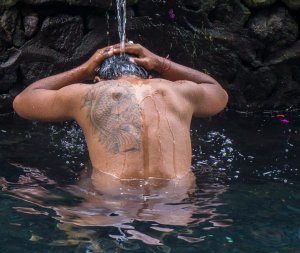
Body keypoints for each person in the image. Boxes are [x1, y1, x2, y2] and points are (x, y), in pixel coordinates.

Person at [12, 43, 228, 188]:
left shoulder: (87, 94)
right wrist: (162, 63)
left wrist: (84, 69)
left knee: (68, 178)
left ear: (98, 80)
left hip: (111, 200)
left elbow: (23, 102)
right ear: (149, 76)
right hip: (176, 201)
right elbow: (217, 92)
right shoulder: (179, 91)